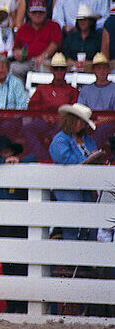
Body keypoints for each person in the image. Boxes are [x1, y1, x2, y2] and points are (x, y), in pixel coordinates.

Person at [49, 103, 101, 240]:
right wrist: (89, 157)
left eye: (84, 123)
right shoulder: (60, 140)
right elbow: (64, 158)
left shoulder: (87, 140)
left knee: (89, 221)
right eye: (80, 122)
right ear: (71, 120)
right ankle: (68, 256)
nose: (82, 125)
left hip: (85, 185)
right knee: (71, 222)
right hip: (67, 185)